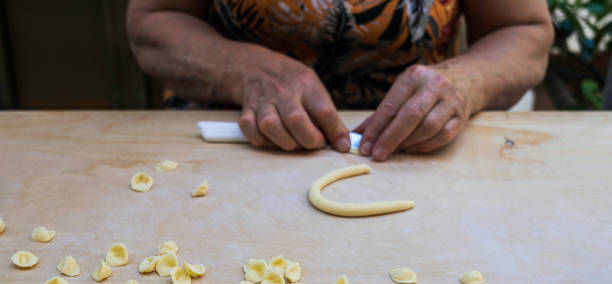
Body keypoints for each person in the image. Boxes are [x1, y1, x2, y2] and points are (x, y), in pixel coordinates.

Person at [127, 0, 553, 161]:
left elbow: (525, 31)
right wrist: (244, 70)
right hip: (234, 141)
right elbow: (153, 21)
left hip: (417, 150)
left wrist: (462, 82)